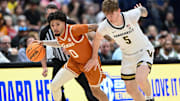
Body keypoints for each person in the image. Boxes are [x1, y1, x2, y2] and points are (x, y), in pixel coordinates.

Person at [85, 0, 155, 101]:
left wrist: (142, 12)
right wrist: (94, 57)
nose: (110, 18)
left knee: (140, 78)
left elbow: (143, 10)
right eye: (107, 15)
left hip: (143, 50)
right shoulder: (104, 25)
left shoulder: (130, 15)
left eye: (112, 14)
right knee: (130, 90)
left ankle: (150, 98)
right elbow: (96, 39)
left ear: (118, 11)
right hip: (127, 55)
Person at [36, 11, 108, 101]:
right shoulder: (58, 34)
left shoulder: (74, 29)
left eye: (57, 24)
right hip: (74, 63)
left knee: (95, 91)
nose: (55, 28)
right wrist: (43, 42)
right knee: (54, 85)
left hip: (89, 62)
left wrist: (108, 38)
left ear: (64, 23)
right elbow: (59, 43)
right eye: (52, 25)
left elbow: (95, 27)